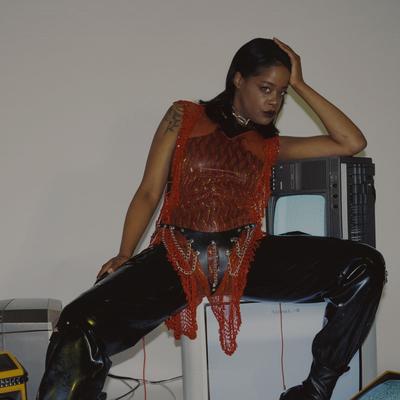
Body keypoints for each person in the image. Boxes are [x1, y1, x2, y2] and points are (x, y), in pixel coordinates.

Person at [36, 37, 387, 400]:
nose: (274, 101)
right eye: (266, 88)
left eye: (282, 93)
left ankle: (313, 393)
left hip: (245, 258)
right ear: (238, 79)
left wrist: (300, 83)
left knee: (365, 267)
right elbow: (149, 191)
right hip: (178, 258)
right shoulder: (183, 117)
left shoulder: (271, 145)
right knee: (78, 324)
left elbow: (351, 142)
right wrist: (125, 253)